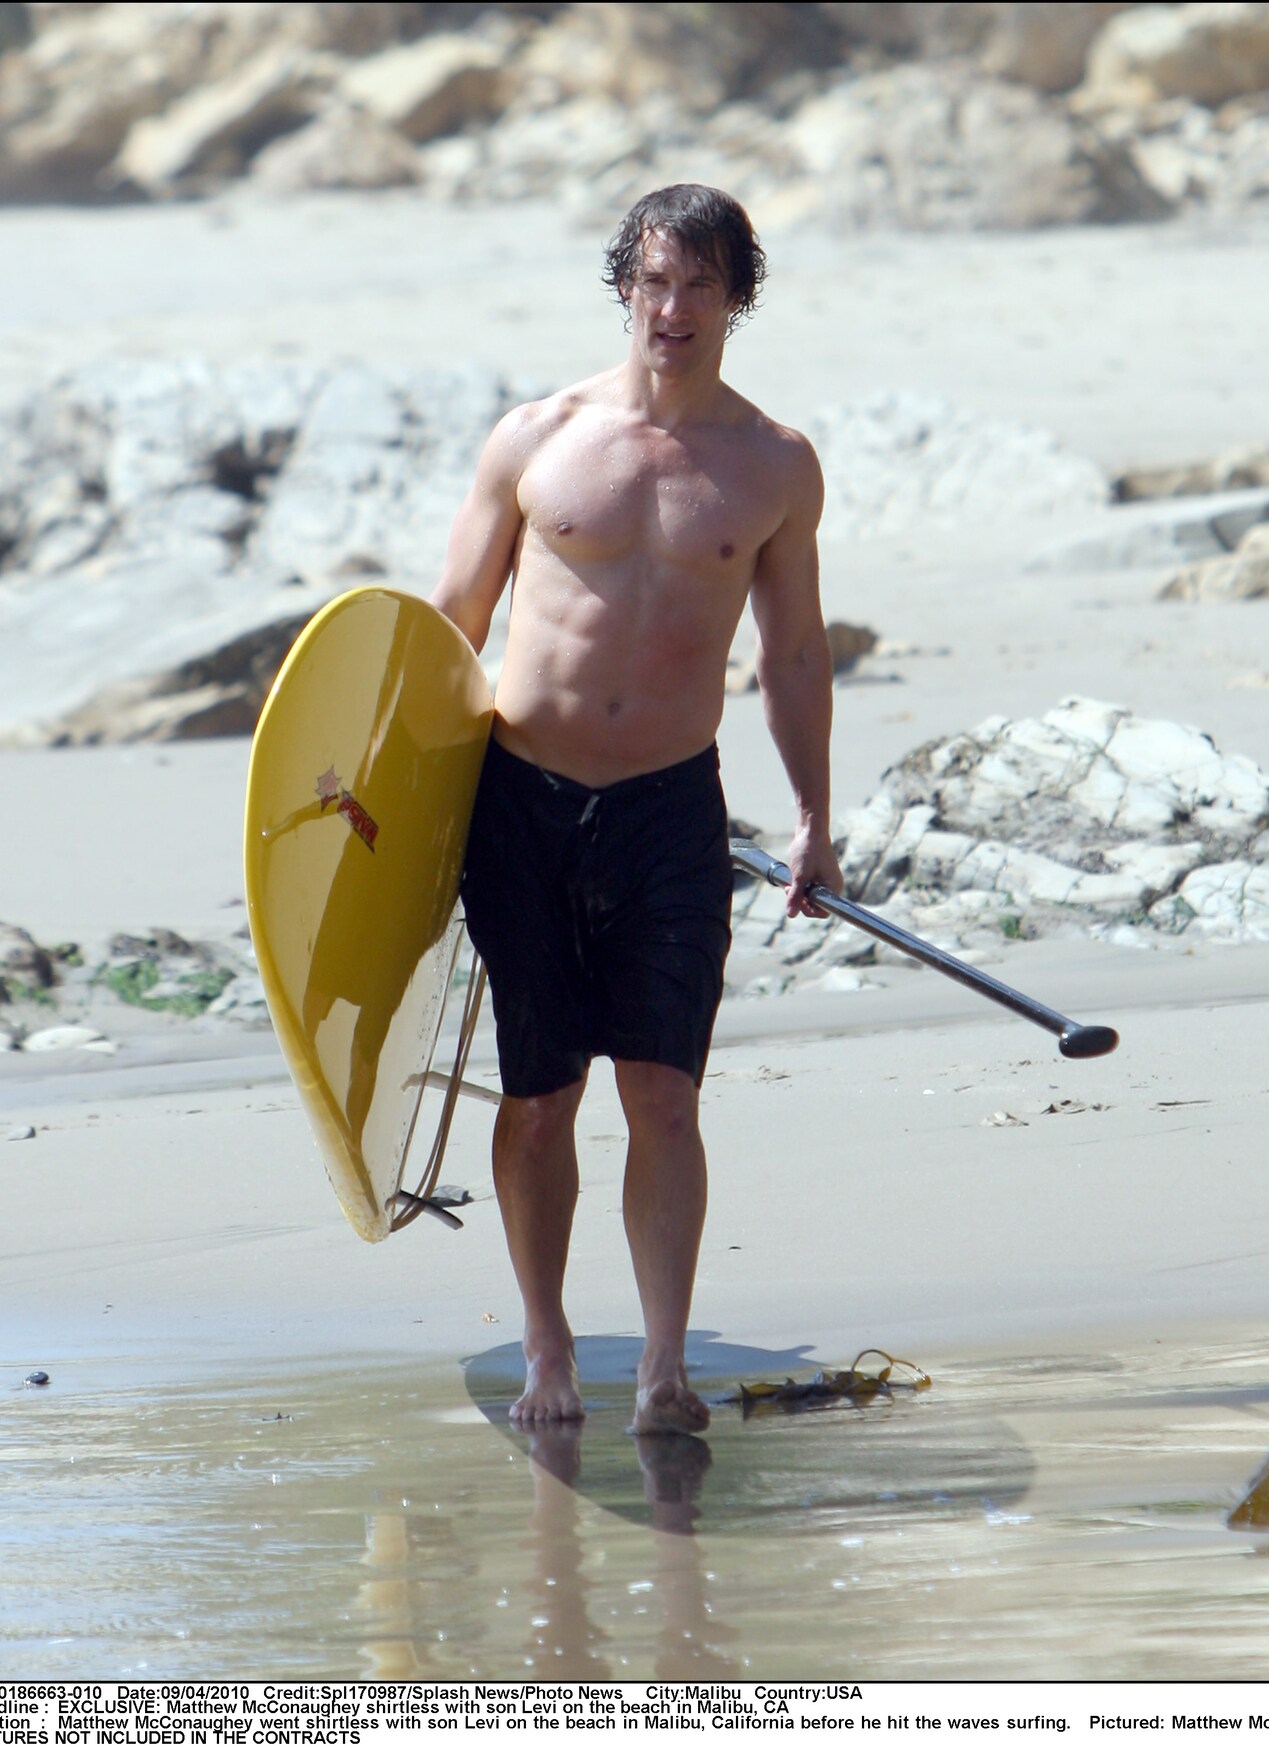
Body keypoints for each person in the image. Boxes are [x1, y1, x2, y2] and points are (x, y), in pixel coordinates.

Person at [430, 184, 838, 1436]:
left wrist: (814, 814)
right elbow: (448, 628)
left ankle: (663, 1366)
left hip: (672, 810)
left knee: (664, 1094)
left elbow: (793, 655)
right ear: (623, 288)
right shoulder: (533, 441)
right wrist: (374, 787)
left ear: (737, 298)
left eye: (700, 286)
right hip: (522, 801)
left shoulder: (772, 466)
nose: (673, 310)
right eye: (653, 283)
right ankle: (547, 1348)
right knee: (540, 1092)